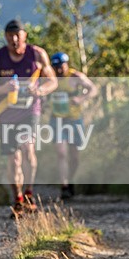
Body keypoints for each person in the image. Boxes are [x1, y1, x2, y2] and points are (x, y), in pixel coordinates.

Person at [0, 19, 57, 216]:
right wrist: (2, 88)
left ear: (25, 36)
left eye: (17, 36)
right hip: (6, 113)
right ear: (5, 37)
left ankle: (29, 194)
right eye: (9, 36)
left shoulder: (37, 54)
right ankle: (18, 199)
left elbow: (53, 82)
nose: (13, 40)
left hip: (30, 111)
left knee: (28, 148)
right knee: (13, 159)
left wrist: (39, 90)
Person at [49, 52, 98, 199]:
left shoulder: (76, 77)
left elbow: (93, 89)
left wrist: (81, 98)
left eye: (61, 66)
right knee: (61, 152)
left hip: (74, 119)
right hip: (57, 119)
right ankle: (64, 186)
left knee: (74, 156)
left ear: (67, 64)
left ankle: (70, 181)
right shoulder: (50, 78)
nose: (59, 70)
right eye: (56, 67)